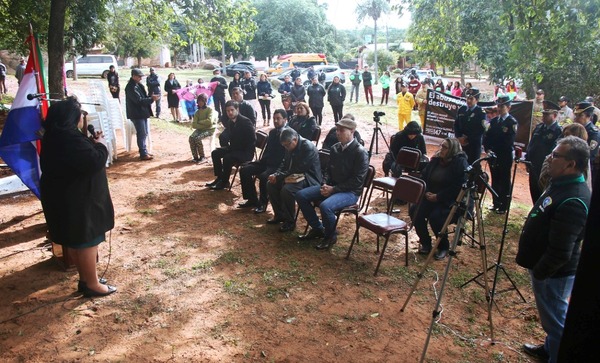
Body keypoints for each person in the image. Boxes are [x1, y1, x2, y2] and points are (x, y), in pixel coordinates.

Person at [516, 136, 591, 363]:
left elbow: (561, 251)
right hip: (546, 271)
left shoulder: (574, 199)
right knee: (551, 318)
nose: (550, 157)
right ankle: (549, 349)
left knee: (557, 322)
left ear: (571, 164)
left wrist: (540, 273)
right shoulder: (559, 183)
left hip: (553, 274)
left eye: (556, 155)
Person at [40, 97, 116, 297]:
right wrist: (100, 145)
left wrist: (90, 143)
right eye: (81, 115)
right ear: (72, 118)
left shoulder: (55, 136)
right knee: (87, 242)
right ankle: (92, 285)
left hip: (66, 198)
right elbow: (93, 161)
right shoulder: (69, 139)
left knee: (77, 241)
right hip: (78, 201)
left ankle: (86, 279)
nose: (83, 118)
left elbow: (78, 159)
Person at [295, 118, 369, 250]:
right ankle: (318, 228)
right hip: (332, 187)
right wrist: (324, 184)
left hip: (350, 192)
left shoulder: (360, 153)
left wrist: (333, 189)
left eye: (341, 130)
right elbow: (328, 170)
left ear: (352, 131)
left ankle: (330, 236)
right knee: (301, 195)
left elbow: (357, 181)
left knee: (325, 206)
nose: (338, 133)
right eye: (337, 130)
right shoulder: (335, 148)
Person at [411, 138, 468, 260]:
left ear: (452, 149)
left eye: (445, 147)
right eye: (441, 146)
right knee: (415, 210)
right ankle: (425, 242)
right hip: (430, 196)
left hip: (449, 201)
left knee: (436, 218)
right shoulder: (436, 160)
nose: (441, 149)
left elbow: (458, 187)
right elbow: (423, 176)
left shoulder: (460, 163)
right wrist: (426, 192)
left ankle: (443, 247)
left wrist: (438, 197)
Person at [267, 128, 322, 232]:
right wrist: (276, 174)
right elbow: (284, 163)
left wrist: (280, 176)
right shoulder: (289, 146)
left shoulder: (308, 147)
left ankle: (290, 221)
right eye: (284, 146)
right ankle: (279, 215)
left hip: (309, 178)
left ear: (295, 140)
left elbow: (300, 169)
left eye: (287, 145)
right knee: (271, 184)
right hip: (294, 176)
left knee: (287, 190)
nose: (286, 148)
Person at [238, 109, 288, 214]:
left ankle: (263, 203)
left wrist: (276, 169)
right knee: (244, 170)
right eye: (274, 119)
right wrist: (261, 161)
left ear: (285, 120)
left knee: (264, 176)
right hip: (265, 162)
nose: (275, 121)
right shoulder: (273, 132)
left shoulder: (288, 133)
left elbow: (286, 156)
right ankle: (252, 199)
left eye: (278, 119)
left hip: (277, 165)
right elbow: (268, 150)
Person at [206, 100, 256, 190]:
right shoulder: (230, 122)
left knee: (227, 158)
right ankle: (220, 178)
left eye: (232, 110)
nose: (230, 113)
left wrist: (240, 146)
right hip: (234, 148)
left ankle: (225, 182)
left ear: (237, 109)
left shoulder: (245, 122)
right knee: (215, 153)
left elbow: (253, 139)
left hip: (245, 152)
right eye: (228, 111)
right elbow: (229, 135)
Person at [483, 96, 517, 213]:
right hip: (493, 155)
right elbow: (487, 137)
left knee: (504, 180)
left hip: (504, 156)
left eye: (502, 106)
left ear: (508, 107)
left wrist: (495, 148)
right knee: (495, 178)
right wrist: (487, 149)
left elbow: (508, 142)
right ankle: (495, 202)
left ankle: (503, 206)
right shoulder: (494, 121)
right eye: (498, 106)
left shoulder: (511, 122)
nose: (500, 108)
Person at [525, 102, 562, 203]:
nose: (543, 117)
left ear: (554, 115)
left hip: (544, 166)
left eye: (547, 115)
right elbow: (531, 144)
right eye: (543, 114)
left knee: (543, 190)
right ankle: (534, 208)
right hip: (533, 164)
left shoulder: (558, 131)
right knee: (533, 188)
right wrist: (527, 158)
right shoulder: (539, 127)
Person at [538, 123, 590, 193]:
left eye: (568, 135)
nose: (564, 138)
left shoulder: (582, 161)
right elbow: (543, 179)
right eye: (564, 135)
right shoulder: (554, 154)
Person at [125, 68, 160, 160]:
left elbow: (143, 97)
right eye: (139, 76)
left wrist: (150, 97)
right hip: (137, 114)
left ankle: (144, 151)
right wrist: (151, 99)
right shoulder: (130, 87)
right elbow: (138, 101)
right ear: (134, 76)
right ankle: (143, 153)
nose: (140, 78)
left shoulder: (138, 85)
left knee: (144, 133)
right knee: (141, 133)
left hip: (142, 113)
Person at [454, 88, 486, 165]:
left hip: (473, 145)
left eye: (471, 99)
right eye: (467, 98)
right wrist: (459, 137)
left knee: (472, 166)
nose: (468, 101)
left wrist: (467, 139)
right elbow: (456, 125)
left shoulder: (481, 112)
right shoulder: (462, 109)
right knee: (459, 164)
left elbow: (481, 130)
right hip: (461, 144)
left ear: (477, 100)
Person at [573, 101, 600, 182]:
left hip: (584, 170)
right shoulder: (575, 129)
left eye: (580, 115)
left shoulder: (593, 133)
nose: (576, 118)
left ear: (588, 117)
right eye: (576, 115)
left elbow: (590, 155)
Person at [189, 94, 214, 163]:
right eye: (198, 101)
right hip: (200, 129)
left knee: (197, 138)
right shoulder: (197, 112)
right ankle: (195, 157)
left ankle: (202, 156)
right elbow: (194, 125)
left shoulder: (210, 109)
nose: (200, 103)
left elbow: (210, 122)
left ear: (205, 101)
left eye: (201, 101)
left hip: (209, 130)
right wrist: (203, 124)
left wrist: (199, 122)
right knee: (191, 138)